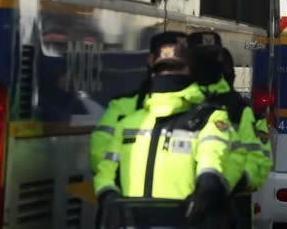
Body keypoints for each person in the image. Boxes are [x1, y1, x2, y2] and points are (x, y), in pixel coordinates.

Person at [94, 41, 236, 228]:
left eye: (175, 67)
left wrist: (207, 189)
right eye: (163, 68)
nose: (168, 74)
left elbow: (211, 164)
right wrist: (108, 195)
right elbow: (105, 173)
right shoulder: (128, 123)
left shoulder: (210, 119)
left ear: (190, 73)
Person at [187, 31, 272, 228]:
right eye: (201, 59)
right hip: (181, 205)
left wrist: (229, 183)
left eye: (213, 58)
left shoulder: (242, 110)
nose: (208, 65)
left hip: (230, 208)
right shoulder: (174, 102)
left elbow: (259, 162)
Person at [89, 31, 188, 175]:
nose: (170, 73)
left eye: (178, 66)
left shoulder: (202, 107)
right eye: (165, 65)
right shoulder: (122, 105)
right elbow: (100, 153)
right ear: (151, 60)